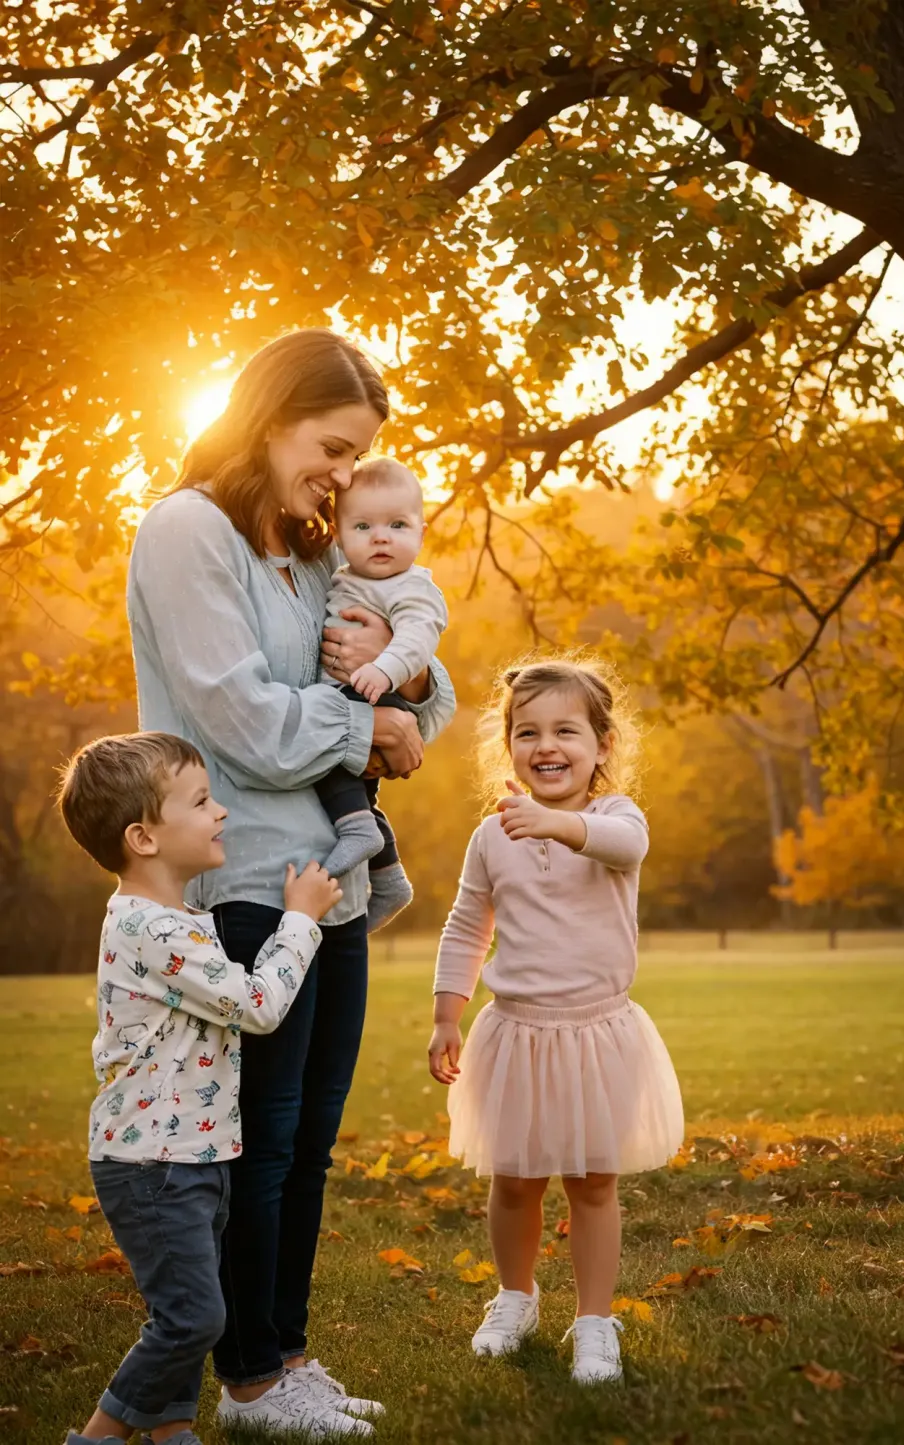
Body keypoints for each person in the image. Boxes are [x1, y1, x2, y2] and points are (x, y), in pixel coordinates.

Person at [126, 328, 456, 1434]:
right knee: (259, 1140)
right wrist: (366, 721)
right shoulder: (188, 532)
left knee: (309, 1136)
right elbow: (247, 726)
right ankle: (249, 1380)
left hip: (332, 878)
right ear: (267, 420)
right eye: (330, 445)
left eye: (358, 453)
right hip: (246, 880)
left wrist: (403, 709)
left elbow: (415, 671)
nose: (343, 473)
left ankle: (288, 1355)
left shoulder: (308, 551)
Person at [55, 731, 344, 1445]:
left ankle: (171, 1430)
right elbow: (256, 1006)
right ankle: (96, 1436)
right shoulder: (152, 928)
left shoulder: (178, 920)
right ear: (143, 836)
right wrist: (301, 919)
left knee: (189, 1302)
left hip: (194, 1151)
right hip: (153, 1163)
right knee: (193, 1317)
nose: (221, 812)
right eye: (202, 800)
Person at [428, 658, 684, 1385]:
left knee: (593, 1183)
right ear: (507, 744)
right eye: (527, 731)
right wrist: (448, 1014)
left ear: (602, 745)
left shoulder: (614, 817)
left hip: (597, 1033)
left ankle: (595, 1319)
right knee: (513, 1179)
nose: (546, 745)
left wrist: (557, 824)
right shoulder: (492, 835)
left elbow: (625, 848)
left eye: (566, 730)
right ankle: (515, 1296)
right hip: (516, 1033)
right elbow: (465, 925)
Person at [314, 457, 448, 932]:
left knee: (326, 758)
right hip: (353, 692)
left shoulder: (411, 586)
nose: (381, 537)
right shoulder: (346, 576)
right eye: (364, 525)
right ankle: (389, 878)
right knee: (362, 795)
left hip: (370, 693)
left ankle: (356, 833)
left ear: (421, 532)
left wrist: (384, 668)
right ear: (338, 531)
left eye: (397, 525)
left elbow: (418, 637)